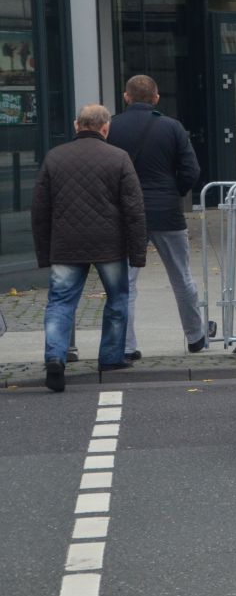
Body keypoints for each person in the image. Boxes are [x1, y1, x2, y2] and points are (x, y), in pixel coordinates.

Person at [31, 104, 147, 392]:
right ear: (105, 128)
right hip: (109, 244)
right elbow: (134, 209)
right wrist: (137, 252)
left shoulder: (54, 158)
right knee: (118, 300)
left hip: (65, 244)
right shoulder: (119, 158)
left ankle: (55, 358)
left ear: (76, 126)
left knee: (60, 303)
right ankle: (110, 358)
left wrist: (44, 251)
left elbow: (40, 210)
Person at [106, 74, 206, 360]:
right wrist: (174, 192)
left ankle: (126, 345)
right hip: (166, 211)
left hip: (126, 212)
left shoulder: (112, 127)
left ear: (126, 97)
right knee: (181, 276)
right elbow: (191, 171)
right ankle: (196, 336)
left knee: (126, 281)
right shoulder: (172, 127)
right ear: (156, 98)